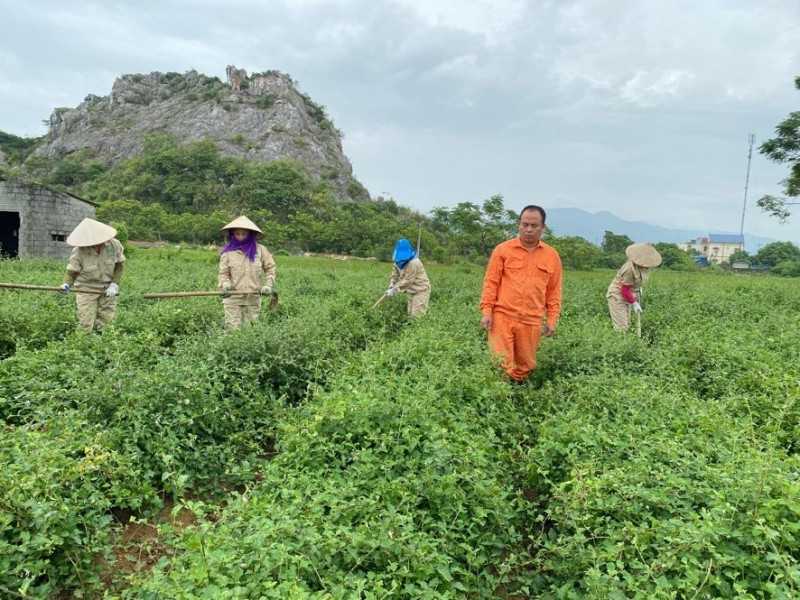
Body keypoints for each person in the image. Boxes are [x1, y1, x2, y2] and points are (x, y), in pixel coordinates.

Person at [479, 205, 562, 382]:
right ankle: (501, 394)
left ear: (543, 227)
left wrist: (552, 319)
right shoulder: (503, 250)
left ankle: (517, 393)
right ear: (519, 224)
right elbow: (491, 283)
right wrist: (486, 312)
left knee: (526, 366)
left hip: (532, 320)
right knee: (500, 363)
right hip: (503, 316)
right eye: (525, 225)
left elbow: (554, 290)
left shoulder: (551, 255)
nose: (529, 230)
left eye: (534, 226)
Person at [59, 218, 125, 333]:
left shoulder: (114, 245)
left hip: (108, 287)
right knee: (85, 320)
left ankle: (104, 339)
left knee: (107, 319)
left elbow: (119, 266)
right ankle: (85, 340)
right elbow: (72, 272)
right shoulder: (79, 251)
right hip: (86, 288)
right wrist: (66, 284)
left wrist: (114, 285)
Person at [218, 216, 276, 330]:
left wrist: (268, 285)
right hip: (233, 298)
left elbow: (270, 268)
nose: (240, 237)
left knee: (250, 330)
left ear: (250, 234)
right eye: (237, 234)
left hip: (253, 298)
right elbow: (223, 274)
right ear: (232, 234)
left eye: (244, 234)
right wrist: (225, 285)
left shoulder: (261, 250)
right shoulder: (227, 252)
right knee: (232, 330)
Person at [607, 243, 662, 331]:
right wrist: (634, 303)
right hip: (617, 295)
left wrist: (638, 288)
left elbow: (638, 280)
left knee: (626, 323)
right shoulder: (629, 269)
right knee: (621, 327)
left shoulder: (646, 267)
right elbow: (624, 289)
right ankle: (618, 338)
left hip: (630, 294)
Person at [386, 239, 431, 317]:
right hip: (411, 290)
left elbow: (408, 280)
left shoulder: (413, 262)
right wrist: (391, 284)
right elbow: (395, 273)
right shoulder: (398, 260)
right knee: (410, 314)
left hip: (421, 289)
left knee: (416, 316)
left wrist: (394, 289)